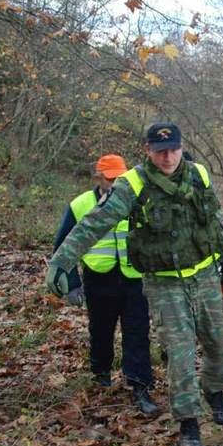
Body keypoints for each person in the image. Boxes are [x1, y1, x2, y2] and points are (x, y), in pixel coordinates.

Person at [46, 123, 223, 446]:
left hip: (203, 274)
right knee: (179, 353)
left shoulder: (199, 174)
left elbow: (215, 218)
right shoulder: (133, 184)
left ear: (182, 146)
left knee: (217, 344)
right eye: (160, 150)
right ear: (147, 149)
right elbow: (94, 222)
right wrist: (61, 262)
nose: (168, 157)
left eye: (174, 149)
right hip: (164, 281)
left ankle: (215, 391)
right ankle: (189, 422)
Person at [52, 154, 157, 416]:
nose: (115, 183)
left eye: (120, 178)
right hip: (99, 279)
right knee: (100, 331)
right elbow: (63, 245)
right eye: (110, 178)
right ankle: (101, 376)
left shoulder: (137, 200)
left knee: (138, 334)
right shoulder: (80, 204)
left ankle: (140, 388)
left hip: (134, 279)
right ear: (98, 177)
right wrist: (72, 283)